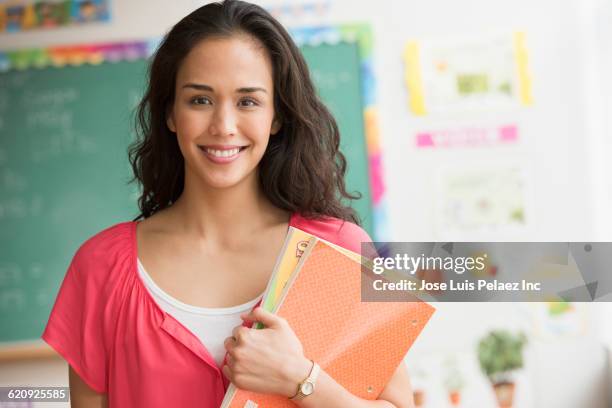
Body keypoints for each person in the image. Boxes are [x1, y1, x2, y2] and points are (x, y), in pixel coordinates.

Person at [42, 1, 415, 407]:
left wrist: (299, 379)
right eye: (199, 100)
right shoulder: (102, 267)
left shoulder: (340, 248)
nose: (223, 126)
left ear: (276, 116)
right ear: (170, 113)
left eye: (248, 101)